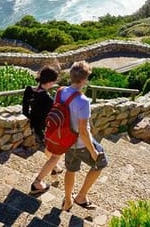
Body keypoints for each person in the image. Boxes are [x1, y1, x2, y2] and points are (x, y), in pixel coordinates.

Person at [60, 61, 108, 212]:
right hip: (81, 143)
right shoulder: (83, 101)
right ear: (83, 80)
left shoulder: (61, 91)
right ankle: (81, 197)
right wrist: (93, 151)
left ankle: (68, 200)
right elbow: (83, 131)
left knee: (70, 169)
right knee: (101, 163)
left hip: (67, 140)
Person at [22, 65, 63, 195]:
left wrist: (33, 118)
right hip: (46, 129)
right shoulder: (48, 99)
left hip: (35, 126)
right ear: (50, 82)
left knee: (47, 148)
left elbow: (25, 110)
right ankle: (38, 183)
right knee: (55, 153)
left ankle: (54, 168)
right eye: (54, 82)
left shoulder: (29, 90)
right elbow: (53, 116)